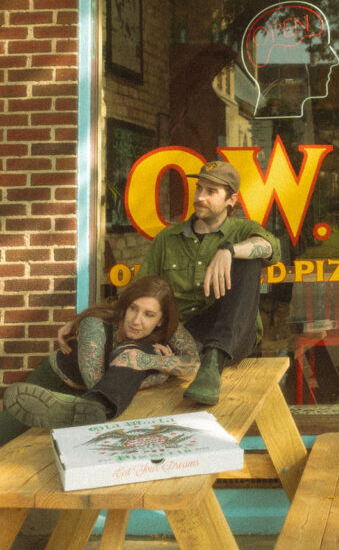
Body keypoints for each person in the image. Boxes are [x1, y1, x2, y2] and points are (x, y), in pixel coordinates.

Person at [59, 160, 281, 407]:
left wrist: (229, 250)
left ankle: (213, 362)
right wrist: (82, 319)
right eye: (199, 189)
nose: (201, 197)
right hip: (183, 336)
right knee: (134, 353)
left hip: (234, 335)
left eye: (211, 192)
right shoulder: (167, 239)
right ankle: (97, 406)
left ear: (232, 200)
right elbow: (139, 293)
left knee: (250, 258)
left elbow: (271, 247)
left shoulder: (242, 230)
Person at [0, 275, 198, 445]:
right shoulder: (95, 326)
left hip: (87, 402)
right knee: (5, 433)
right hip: (54, 385)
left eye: (149, 314)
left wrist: (154, 362)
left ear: (161, 320)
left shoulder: (169, 329)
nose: (137, 320)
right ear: (125, 307)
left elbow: (193, 365)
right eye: (133, 309)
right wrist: (161, 375)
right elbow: (98, 385)